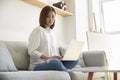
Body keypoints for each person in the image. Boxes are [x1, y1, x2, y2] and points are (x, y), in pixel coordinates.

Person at [28, 6, 79, 72]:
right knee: (55, 63)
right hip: (38, 65)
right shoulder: (38, 30)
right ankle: (67, 73)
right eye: (48, 16)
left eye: (53, 16)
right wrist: (48, 58)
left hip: (51, 62)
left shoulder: (52, 33)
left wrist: (59, 57)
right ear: (43, 17)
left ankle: (62, 69)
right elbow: (31, 51)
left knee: (75, 59)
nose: (51, 19)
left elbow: (53, 53)